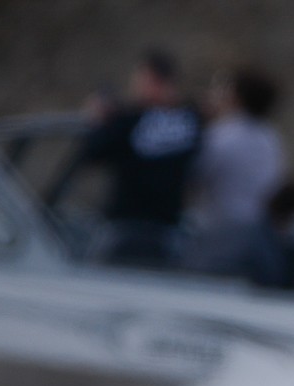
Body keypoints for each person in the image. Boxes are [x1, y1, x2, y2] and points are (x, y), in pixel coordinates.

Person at [46, 48, 203, 263]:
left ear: (151, 80)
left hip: (128, 225)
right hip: (169, 228)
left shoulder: (130, 121)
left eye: (140, 80)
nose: (135, 87)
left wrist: (100, 121)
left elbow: (92, 152)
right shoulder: (191, 120)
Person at [192, 67, 285, 227]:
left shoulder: (220, 136)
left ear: (236, 97)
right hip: (260, 228)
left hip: (221, 227)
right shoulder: (271, 138)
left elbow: (194, 176)